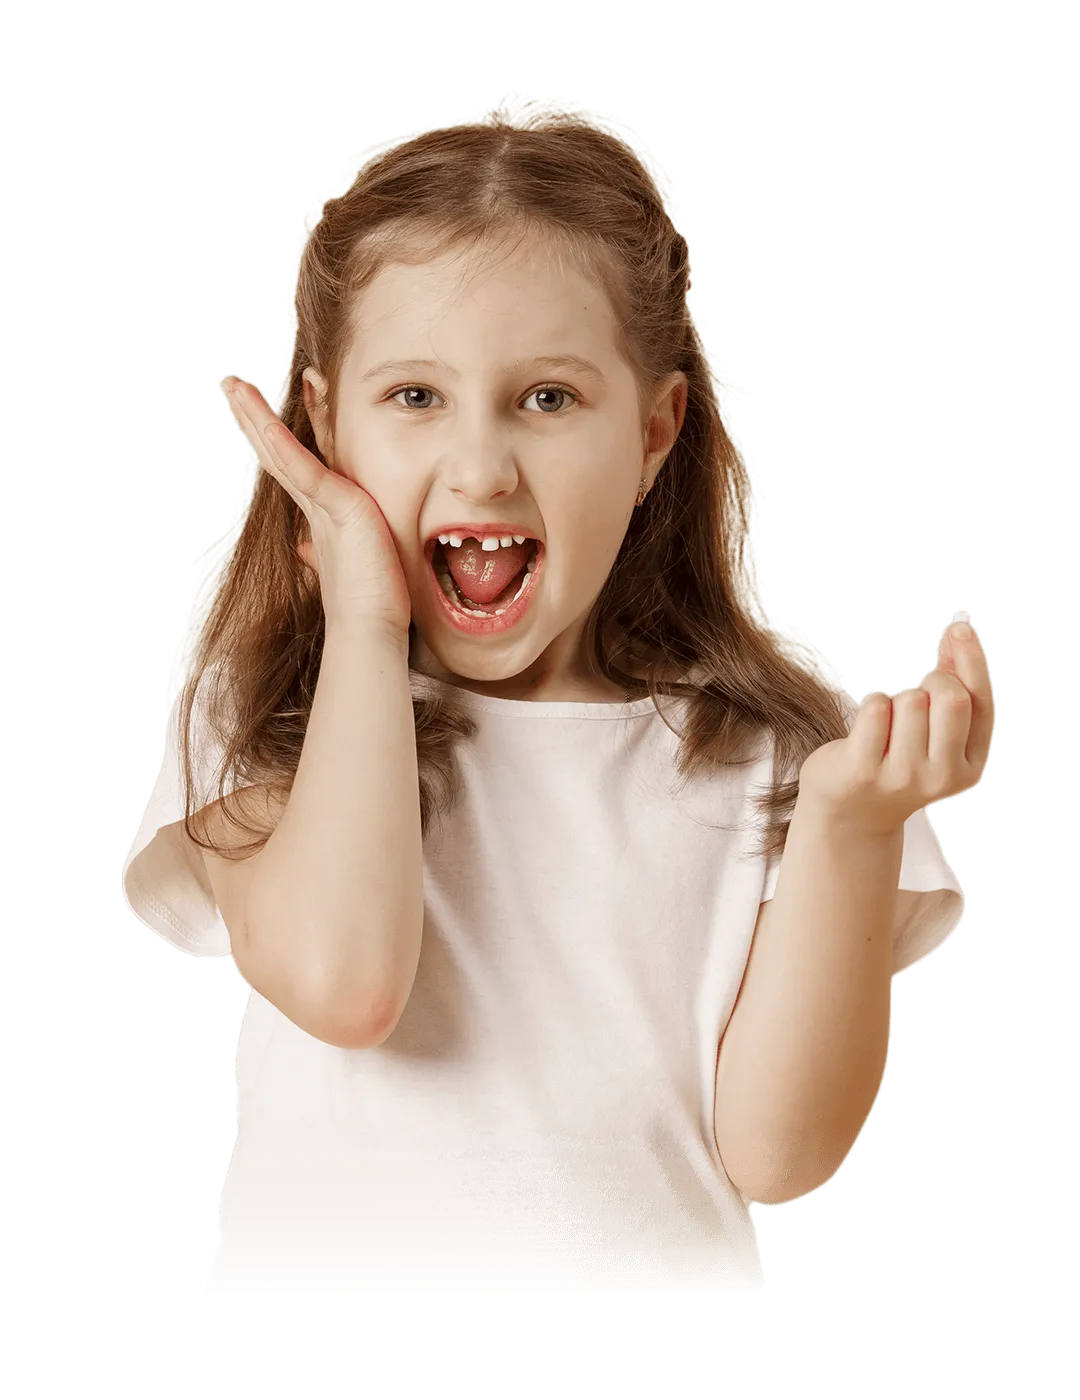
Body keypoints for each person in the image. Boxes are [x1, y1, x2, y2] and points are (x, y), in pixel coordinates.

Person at [120, 94, 993, 1299]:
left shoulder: (764, 747)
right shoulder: (268, 705)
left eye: (548, 397)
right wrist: (366, 627)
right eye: (415, 397)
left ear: (654, 430)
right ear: (325, 424)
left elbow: (780, 1154)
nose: (480, 463)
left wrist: (852, 826)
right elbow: (344, 979)